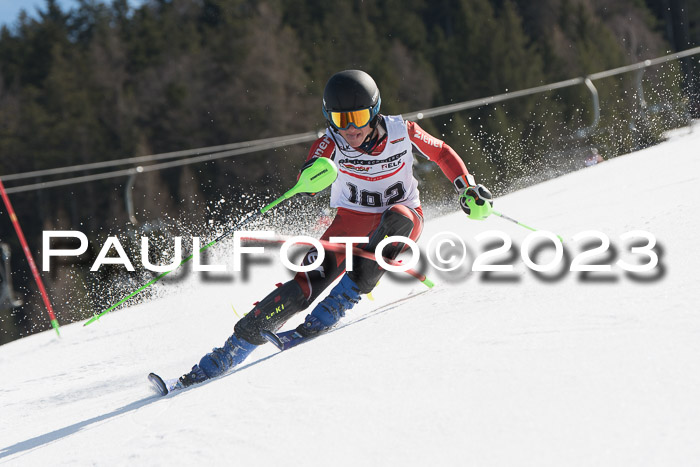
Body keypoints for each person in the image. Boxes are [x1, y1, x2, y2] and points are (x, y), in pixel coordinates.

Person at [176, 70, 493, 388]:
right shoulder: (330, 141)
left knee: (398, 217)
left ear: (374, 111)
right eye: (342, 120)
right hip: (350, 221)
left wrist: (466, 187)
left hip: (404, 219)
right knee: (304, 283)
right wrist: (311, 176)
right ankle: (226, 354)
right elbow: (314, 171)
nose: (351, 128)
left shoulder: (402, 130)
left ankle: (341, 300)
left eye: (358, 117)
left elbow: (441, 152)